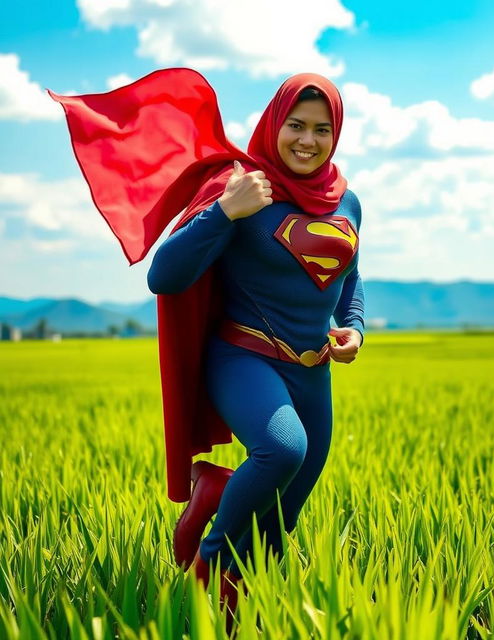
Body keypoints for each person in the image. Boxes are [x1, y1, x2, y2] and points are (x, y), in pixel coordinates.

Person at [49, 69, 364, 630]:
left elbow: (349, 277)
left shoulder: (346, 201)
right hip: (243, 357)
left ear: (335, 135)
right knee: (282, 450)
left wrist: (354, 328)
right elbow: (164, 277)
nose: (307, 141)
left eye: (321, 129)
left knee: (278, 524)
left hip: (313, 370)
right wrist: (226, 212)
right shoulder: (240, 186)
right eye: (296, 125)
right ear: (274, 123)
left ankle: (242, 598)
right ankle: (206, 565)